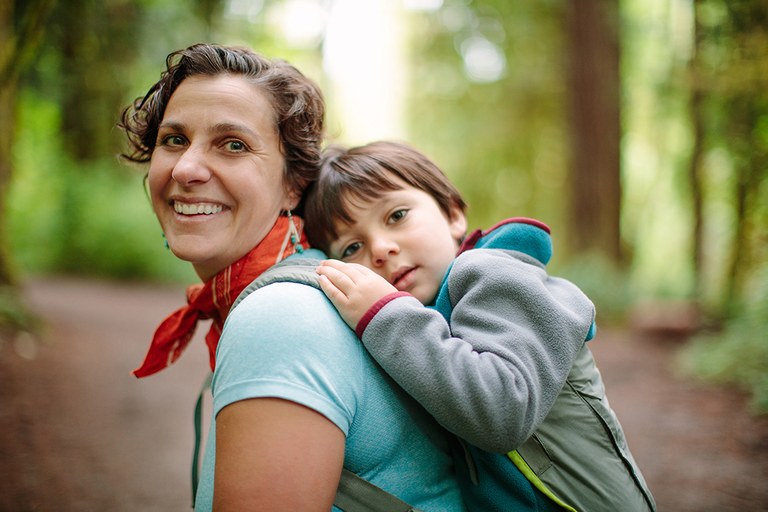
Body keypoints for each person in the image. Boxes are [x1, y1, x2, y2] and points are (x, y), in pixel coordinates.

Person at [118, 44, 467, 511]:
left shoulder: (281, 315)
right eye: (174, 140)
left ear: (293, 184)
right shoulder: (299, 287)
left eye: (233, 144)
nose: (185, 168)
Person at [305, 141, 657, 512]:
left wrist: (383, 314)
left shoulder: (493, 273)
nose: (379, 249)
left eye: (396, 216)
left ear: (453, 214)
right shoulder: (426, 317)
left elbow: (503, 412)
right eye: (351, 248)